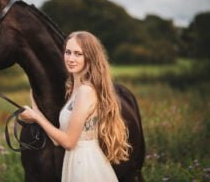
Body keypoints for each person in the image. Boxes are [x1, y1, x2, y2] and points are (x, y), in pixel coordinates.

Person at [19, 31, 131, 182]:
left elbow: (69, 142)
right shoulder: (75, 90)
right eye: (68, 52)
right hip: (75, 162)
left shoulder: (85, 92)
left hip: (85, 166)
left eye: (78, 54)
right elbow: (57, 140)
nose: (71, 59)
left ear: (89, 57)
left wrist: (36, 117)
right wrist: (36, 109)